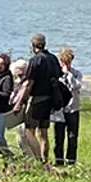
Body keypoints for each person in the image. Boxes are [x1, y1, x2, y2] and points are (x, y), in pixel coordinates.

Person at [13, 33, 62, 164]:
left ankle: (39, 160)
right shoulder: (53, 59)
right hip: (50, 99)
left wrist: (19, 102)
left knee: (29, 131)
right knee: (43, 132)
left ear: (33, 45)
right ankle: (45, 158)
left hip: (38, 99)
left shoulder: (35, 60)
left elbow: (29, 83)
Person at [50, 46, 82, 165]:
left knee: (72, 137)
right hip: (60, 109)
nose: (66, 64)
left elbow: (76, 86)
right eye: (63, 62)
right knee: (58, 138)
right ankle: (59, 160)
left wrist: (68, 73)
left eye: (68, 62)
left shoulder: (76, 73)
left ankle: (71, 161)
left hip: (73, 109)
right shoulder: (57, 74)